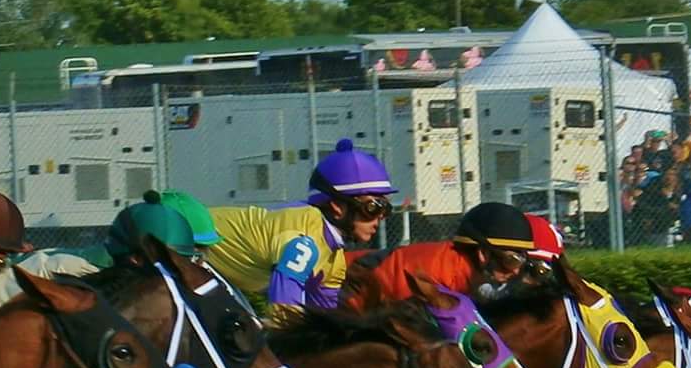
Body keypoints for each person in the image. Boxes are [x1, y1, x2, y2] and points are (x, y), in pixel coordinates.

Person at [207, 138, 394, 326]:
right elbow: (285, 315)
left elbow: (327, 320)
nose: (381, 217)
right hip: (187, 234)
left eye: (386, 209)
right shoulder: (305, 239)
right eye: (374, 207)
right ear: (337, 206)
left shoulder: (334, 261)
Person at [342, 200, 534, 311]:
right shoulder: (440, 279)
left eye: (522, 260)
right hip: (330, 290)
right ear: (483, 254)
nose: (516, 270)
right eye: (511, 260)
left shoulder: (457, 270)